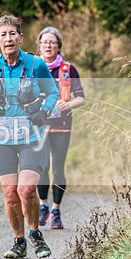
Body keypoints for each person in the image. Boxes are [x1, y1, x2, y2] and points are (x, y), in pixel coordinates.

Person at [0, 15, 58, 259]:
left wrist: (44, 110)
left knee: (27, 189)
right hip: (3, 138)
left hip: (32, 136)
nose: (8, 39)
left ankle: (35, 234)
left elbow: (52, 93)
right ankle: (18, 241)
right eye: (4, 35)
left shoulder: (35, 64)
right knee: (10, 193)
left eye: (13, 34)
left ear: (20, 38)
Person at [35, 27, 85, 229]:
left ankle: (56, 210)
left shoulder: (68, 69)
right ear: (39, 46)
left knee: (57, 169)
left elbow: (81, 97)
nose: (48, 45)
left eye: (52, 42)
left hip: (62, 126)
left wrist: (68, 104)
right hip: (39, 126)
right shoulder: (32, 68)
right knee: (41, 168)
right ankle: (43, 206)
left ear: (58, 46)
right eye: (45, 42)